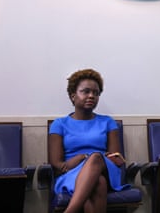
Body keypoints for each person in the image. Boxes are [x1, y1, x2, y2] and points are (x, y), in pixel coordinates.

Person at [48, 68, 129, 213]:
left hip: (106, 170)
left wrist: (86, 158)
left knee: (96, 157)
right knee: (98, 182)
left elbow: (114, 157)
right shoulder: (59, 124)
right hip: (71, 174)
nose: (91, 96)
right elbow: (56, 162)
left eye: (96, 93)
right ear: (73, 96)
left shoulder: (108, 122)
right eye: (86, 91)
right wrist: (72, 163)